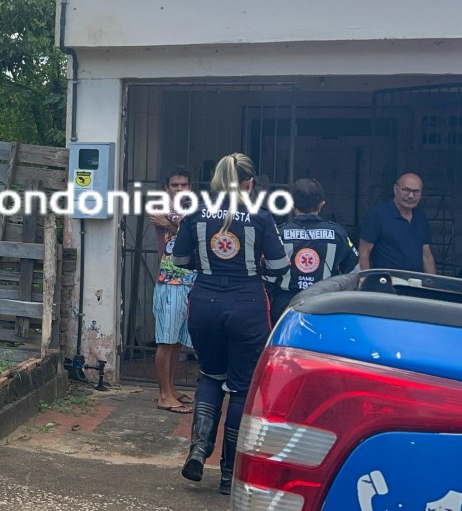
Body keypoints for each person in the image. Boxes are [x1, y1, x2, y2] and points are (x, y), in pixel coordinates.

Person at [171, 153, 290, 495]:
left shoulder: (195, 212)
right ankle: (229, 473)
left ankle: (198, 449)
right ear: (250, 183)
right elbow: (281, 267)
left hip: (204, 303)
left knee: (210, 374)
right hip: (248, 306)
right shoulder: (261, 217)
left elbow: (179, 260)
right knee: (240, 387)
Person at [264, 178, 360, 322]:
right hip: (325, 304)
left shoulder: (280, 233)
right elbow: (354, 274)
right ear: (321, 204)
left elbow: (268, 276)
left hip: (286, 304)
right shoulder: (338, 233)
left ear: (291, 204)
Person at [148, 166, 195, 413]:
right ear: (167, 187)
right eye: (174, 185)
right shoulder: (161, 205)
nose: (179, 189)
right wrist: (177, 226)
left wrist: (172, 226)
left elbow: (194, 236)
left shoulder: (193, 209)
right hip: (170, 281)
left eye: (183, 185)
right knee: (166, 340)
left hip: (189, 280)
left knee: (177, 341)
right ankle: (164, 395)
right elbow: (187, 231)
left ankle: (172, 388)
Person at [358, 172, 436, 274]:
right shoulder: (377, 215)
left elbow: (426, 255)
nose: (411, 195)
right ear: (395, 189)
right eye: (406, 190)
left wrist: (432, 284)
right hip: (386, 283)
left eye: (416, 191)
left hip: (415, 283)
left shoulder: (421, 218)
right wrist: (366, 280)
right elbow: (364, 252)